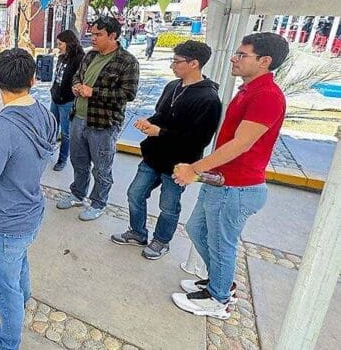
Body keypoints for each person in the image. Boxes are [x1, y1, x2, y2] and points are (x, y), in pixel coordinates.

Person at [171, 32, 289, 319]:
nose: (234, 58)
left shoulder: (267, 96)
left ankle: (218, 298)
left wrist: (194, 169)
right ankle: (219, 282)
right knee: (198, 230)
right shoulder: (248, 90)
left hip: (237, 187)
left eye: (242, 54)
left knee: (222, 242)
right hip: (220, 181)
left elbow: (242, 143)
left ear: (264, 61)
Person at [0, 49, 57, 350]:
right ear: (32, 78)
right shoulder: (45, 114)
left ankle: (7, 343)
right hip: (31, 211)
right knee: (18, 263)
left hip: (3, 222)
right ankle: (23, 299)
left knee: (4, 291)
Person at [111, 41, 222, 259]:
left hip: (180, 163)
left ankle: (161, 240)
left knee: (169, 205)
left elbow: (199, 140)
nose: (172, 65)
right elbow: (160, 116)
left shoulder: (209, 99)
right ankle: (137, 232)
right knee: (135, 193)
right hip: (154, 156)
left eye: (176, 61)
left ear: (194, 64)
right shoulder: (172, 86)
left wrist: (159, 132)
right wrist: (148, 123)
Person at [57, 16, 139, 220]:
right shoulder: (90, 55)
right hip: (79, 117)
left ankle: (99, 202)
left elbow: (127, 94)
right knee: (78, 160)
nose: (93, 38)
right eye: (92, 34)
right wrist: (76, 86)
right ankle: (78, 192)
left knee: (102, 167)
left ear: (113, 36)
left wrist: (93, 92)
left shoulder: (127, 61)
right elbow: (78, 75)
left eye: (98, 34)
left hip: (103, 124)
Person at [49, 29, 84, 171]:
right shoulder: (62, 57)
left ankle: (62, 159)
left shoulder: (79, 59)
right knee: (52, 127)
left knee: (65, 133)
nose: (58, 47)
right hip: (55, 98)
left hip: (67, 101)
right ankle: (48, 150)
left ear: (69, 43)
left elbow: (78, 80)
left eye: (60, 44)